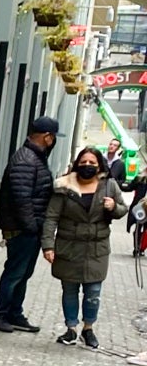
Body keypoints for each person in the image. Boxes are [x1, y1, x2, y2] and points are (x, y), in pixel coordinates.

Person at [42, 144, 125, 348]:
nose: (87, 165)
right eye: (84, 162)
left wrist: (113, 207)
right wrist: (48, 245)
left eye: (92, 162)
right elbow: (51, 217)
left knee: (93, 292)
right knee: (69, 289)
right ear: (77, 164)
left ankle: (88, 329)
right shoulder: (63, 186)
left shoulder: (109, 186)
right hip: (69, 246)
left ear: (99, 165)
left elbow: (123, 208)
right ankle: (71, 329)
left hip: (97, 249)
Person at [0, 115, 59, 333]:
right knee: (15, 272)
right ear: (47, 137)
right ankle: (0, 315)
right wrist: (32, 228)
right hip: (23, 230)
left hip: (29, 229)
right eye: (53, 137)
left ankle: (14, 313)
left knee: (23, 273)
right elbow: (22, 199)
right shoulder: (26, 160)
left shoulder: (34, 158)